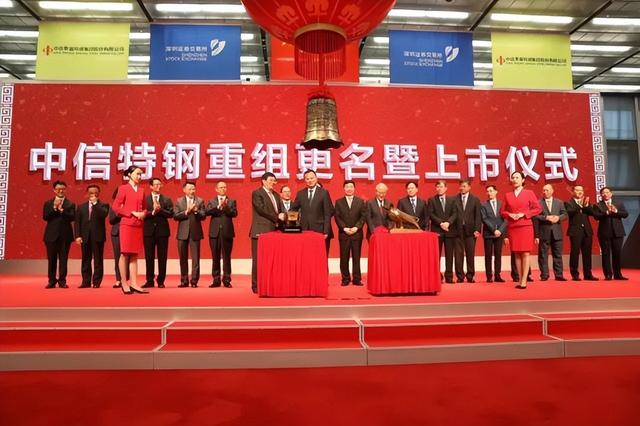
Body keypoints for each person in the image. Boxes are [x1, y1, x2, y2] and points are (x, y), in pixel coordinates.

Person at [500, 171, 542, 289]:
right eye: (513, 177)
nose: (514, 179)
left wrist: (524, 214)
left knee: (525, 253)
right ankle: (520, 279)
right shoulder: (508, 195)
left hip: (525, 226)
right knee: (517, 253)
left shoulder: (529, 193)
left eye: (517, 177)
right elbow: (502, 212)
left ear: (523, 180)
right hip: (513, 226)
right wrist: (510, 214)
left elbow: (538, 209)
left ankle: (524, 280)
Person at [112, 166, 148, 294]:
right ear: (129, 175)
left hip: (138, 225)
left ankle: (134, 283)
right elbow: (116, 207)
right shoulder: (123, 189)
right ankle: (123, 282)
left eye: (140, 174)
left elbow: (145, 208)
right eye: (137, 174)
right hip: (127, 224)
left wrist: (143, 213)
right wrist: (131, 212)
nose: (139, 176)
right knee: (124, 254)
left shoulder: (142, 190)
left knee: (134, 254)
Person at [250, 172, 285, 294]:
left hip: (274, 231)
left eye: (274, 181)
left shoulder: (276, 195)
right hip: (260, 230)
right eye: (270, 180)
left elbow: (280, 210)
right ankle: (256, 285)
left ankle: (270, 284)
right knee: (258, 260)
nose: (273, 183)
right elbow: (261, 209)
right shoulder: (257, 193)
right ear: (263, 181)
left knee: (272, 260)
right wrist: (277, 217)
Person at [74, 184, 110, 288]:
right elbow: (77, 222)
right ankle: (86, 281)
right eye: (91, 193)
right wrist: (77, 236)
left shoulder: (103, 205)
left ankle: (96, 282)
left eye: (95, 193)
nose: (93, 194)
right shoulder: (81, 207)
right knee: (86, 259)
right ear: (87, 193)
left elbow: (103, 214)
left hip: (98, 236)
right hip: (85, 236)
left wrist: (95, 204)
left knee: (98, 260)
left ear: (99, 193)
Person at [43, 180, 75, 289]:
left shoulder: (70, 204)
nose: (60, 191)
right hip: (51, 236)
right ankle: (51, 281)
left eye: (62, 189)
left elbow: (72, 217)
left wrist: (61, 210)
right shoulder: (48, 203)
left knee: (63, 260)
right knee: (51, 259)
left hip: (65, 236)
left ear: (65, 190)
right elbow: (45, 217)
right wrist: (54, 208)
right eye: (58, 189)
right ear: (54, 190)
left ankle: (62, 281)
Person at [291, 169, 334, 253]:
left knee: (319, 254)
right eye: (307, 179)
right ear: (305, 180)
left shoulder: (324, 193)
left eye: (312, 178)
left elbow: (327, 213)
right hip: (305, 229)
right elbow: (293, 209)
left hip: (319, 230)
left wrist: (326, 231)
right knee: (306, 253)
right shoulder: (300, 193)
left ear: (316, 178)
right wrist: (286, 216)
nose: (310, 180)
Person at [174, 181, 206, 288]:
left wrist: (196, 211)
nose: (192, 191)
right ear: (184, 190)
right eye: (190, 189)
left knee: (195, 259)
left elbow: (203, 216)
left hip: (195, 232)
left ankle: (194, 281)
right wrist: (186, 212)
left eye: (193, 189)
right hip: (182, 233)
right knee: (183, 258)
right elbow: (175, 216)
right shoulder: (179, 201)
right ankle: (184, 280)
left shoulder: (200, 201)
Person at [334, 180, 366, 286]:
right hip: (344, 234)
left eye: (351, 187)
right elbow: (337, 217)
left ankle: (357, 279)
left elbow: (363, 217)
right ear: (344, 189)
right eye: (347, 187)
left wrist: (357, 227)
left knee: (356, 257)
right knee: (344, 257)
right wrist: (344, 228)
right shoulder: (339, 202)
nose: (349, 189)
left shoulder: (360, 201)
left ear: (354, 188)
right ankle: (345, 278)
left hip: (357, 233)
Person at [593, 187, 629, 280]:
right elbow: (596, 216)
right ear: (601, 195)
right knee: (606, 254)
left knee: (617, 253)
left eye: (607, 192)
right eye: (603, 193)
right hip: (604, 233)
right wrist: (607, 212)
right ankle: (608, 274)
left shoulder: (618, 204)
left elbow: (625, 214)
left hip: (618, 232)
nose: (605, 194)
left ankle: (618, 274)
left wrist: (616, 211)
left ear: (611, 193)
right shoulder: (598, 205)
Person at [142, 177, 173, 289]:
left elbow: (171, 214)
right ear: (151, 186)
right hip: (148, 231)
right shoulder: (145, 200)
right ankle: (149, 280)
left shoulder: (166, 199)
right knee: (149, 257)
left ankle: (161, 281)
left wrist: (161, 210)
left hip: (162, 232)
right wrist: (153, 212)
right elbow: (142, 213)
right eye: (156, 184)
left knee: (162, 257)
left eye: (160, 184)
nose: (158, 186)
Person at [427, 180, 459, 283]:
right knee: (437, 255)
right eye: (437, 187)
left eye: (441, 186)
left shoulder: (452, 200)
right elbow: (431, 214)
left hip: (450, 230)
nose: (439, 189)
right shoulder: (432, 200)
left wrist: (448, 223)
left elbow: (455, 213)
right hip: (437, 231)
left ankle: (449, 277)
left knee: (449, 255)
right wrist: (441, 223)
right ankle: (437, 277)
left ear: (446, 188)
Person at [206, 181, 237, 288]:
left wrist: (226, 207)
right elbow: (207, 212)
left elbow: (234, 213)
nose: (223, 189)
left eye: (224, 187)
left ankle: (227, 279)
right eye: (221, 187)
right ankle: (216, 279)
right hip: (214, 232)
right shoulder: (212, 201)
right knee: (215, 256)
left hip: (227, 232)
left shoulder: (231, 201)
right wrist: (219, 206)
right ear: (216, 189)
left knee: (227, 256)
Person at [565, 184, 599, 281]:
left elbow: (593, 213)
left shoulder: (586, 202)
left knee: (587, 253)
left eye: (581, 190)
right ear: (573, 192)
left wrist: (587, 206)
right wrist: (580, 206)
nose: (579, 192)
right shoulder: (569, 203)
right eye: (577, 190)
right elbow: (570, 212)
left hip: (587, 231)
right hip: (575, 231)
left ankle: (588, 274)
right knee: (575, 253)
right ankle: (575, 274)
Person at [534, 184, 568, 281]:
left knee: (557, 254)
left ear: (552, 191)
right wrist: (546, 217)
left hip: (557, 232)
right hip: (544, 232)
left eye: (547, 190)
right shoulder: (538, 203)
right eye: (544, 190)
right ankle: (544, 275)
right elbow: (535, 216)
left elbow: (565, 214)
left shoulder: (559, 202)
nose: (545, 192)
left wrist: (558, 218)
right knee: (543, 255)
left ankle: (559, 275)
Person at [454, 179, 482, 283]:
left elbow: (478, 216)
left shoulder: (475, 200)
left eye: (464, 186)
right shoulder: (455, 199)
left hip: (471, 231)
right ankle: (460, 276)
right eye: (461, 186)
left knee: (470, 254)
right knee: (458, 255)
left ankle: (470, 276)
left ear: (469, 187)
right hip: (457, 231)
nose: (462, 188)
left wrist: (477, 229)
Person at [480, 185, 507, 283]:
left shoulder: (502, 204)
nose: (489, 193)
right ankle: (489, 276)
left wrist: (500, 230)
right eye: (487, 191)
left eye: (491, 191)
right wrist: (494, 230)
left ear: (496, 192)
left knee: (498, 255)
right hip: (488, 233)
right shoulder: (483, 205)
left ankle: (497, 275)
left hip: (499, 233)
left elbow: (506, 219)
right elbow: (484, 219)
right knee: (488, 255)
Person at [109, 189, 128, 288]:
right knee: (117, 256)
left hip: (128, 232)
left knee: (127, 256)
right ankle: (118, 279)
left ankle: (127, 279)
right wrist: (119, 214)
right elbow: (111, 220)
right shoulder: (113, 207)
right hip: (116, 233)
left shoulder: (130, 205)